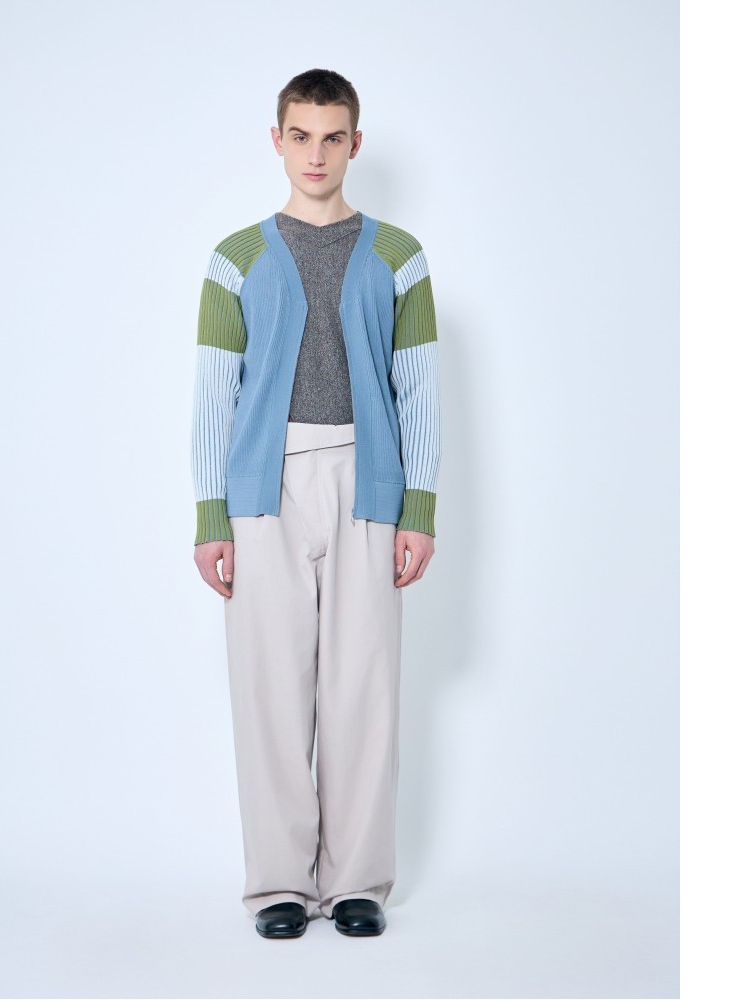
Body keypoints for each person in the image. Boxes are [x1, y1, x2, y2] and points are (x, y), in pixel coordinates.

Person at [190, 68, 440, 939]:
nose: (317, 154)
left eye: (333, 137)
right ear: (278, 140)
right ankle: (279, 886)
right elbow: (213, 395)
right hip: (265, 489)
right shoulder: (237, 258)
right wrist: (210, 517)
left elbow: (419, 388)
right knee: (269, 687)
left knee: (363, 685)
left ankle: (359, 881)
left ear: (355, 143)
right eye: (301, 136)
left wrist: (419, 508)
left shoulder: (400, 256)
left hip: (369, 484)